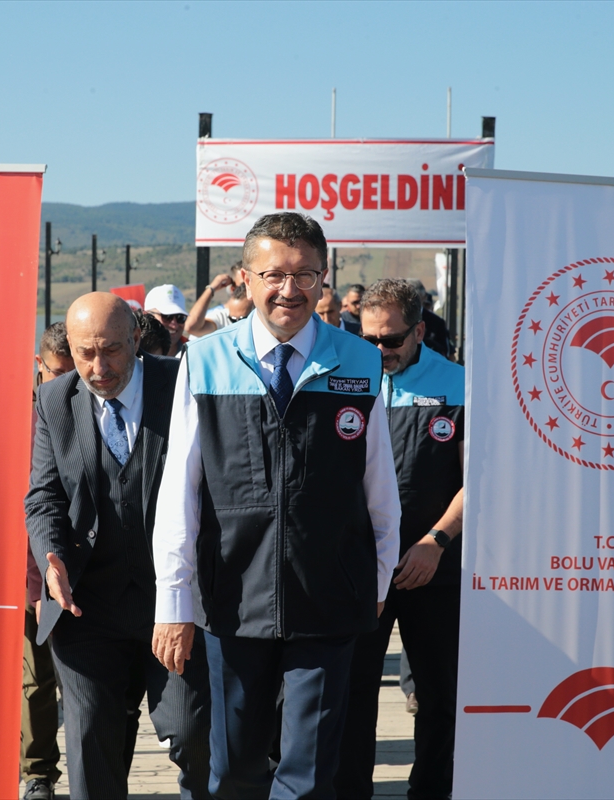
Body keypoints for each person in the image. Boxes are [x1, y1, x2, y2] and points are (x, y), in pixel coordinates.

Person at [151, 213, 400, 799]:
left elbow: (379, 486)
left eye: (304, 275)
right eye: (273, 275)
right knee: (234, 770)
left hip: (329, 599)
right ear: (246, 278)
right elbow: (179, 492)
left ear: (323, 277)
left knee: (310, 776)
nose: (290, 290)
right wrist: (174, 600)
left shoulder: (360, 362)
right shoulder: (204, 361)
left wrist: (378, 575)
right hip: (233, 600)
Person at [25, 294, 211, 799]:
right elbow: (43, 496)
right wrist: (51, 559)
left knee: (194, 734)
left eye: (110, 350)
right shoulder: (53, 401)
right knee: (91, 743)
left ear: (137, 339)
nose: (98, 367)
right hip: (86, 606)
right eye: (85, 353)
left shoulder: (183, 386)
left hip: (175, 601)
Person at [336, 278, 465, 800]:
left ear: (419, 331)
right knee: (351, 695)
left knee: (440, 697)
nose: (378, 351)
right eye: (367, 339)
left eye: (390, 340)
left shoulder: (459, 384)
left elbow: (479, 479)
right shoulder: (344, 377)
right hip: (360, 568)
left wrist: (436, 541)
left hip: (432, 567)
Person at [21, 323, 74, 800]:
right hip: (25, 568)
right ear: (39, 366)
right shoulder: (18, 417)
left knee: (76, 681)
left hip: (76, 566)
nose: (67, 383)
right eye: (58, 373)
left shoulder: (85, 405)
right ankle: (38, 773)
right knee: (36, 680)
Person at [185, 263, 254, 339]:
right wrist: (211, 288)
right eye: (243, 286)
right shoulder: (220, 317)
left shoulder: (257, 314)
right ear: (232, 289)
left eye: (252, 282)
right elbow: (191, 327)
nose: (249, 288)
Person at [406, 279, 452, 358]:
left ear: (424, 297)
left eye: (415, 298)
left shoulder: (436, 322)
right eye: (406, 298)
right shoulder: (394, 319)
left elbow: (446, 351)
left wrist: (428, 343)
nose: (411, 302)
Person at [145, 284, 190, 357]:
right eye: (167, 316)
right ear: (147, 315)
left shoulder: (194, 353)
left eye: (180, 317)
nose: (174, 325)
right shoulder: (132, 352)